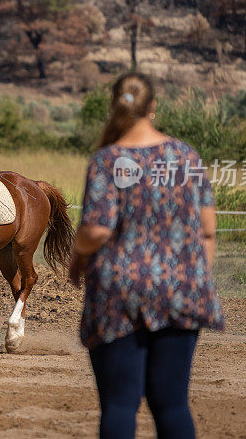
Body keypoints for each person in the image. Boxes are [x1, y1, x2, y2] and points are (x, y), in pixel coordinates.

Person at [68, 72, 224, 439]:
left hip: (120, 293)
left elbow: (98, 229)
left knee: (121, 404)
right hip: (181, 288)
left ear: (114, 106)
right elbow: (208, 229)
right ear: (152, 106)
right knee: (172, 405)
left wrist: (78, 250)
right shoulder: (185, 155)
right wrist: (192, 277)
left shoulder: (109, 159)